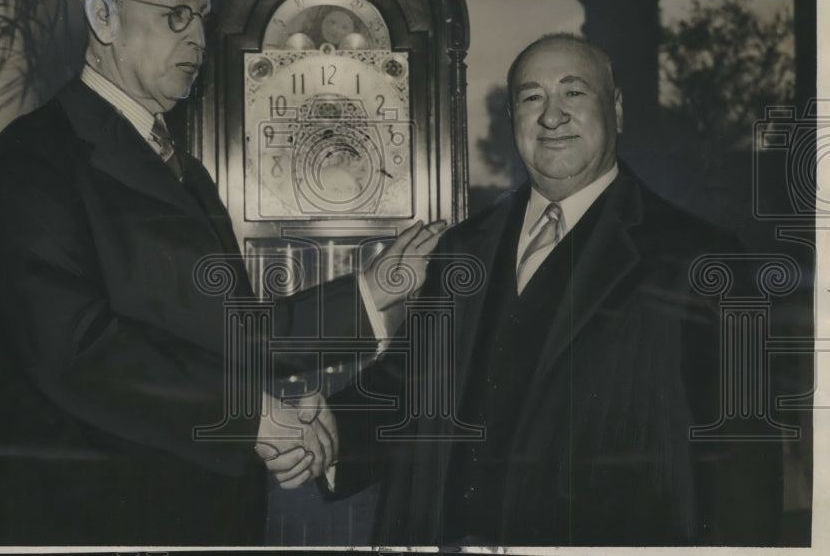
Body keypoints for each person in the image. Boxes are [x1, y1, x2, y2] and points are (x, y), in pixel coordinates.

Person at [0, 0, 442, 546]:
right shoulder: (33, 157)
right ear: (103, 18)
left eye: (202, 20)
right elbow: (75, 348)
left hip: (196, 514)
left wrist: (370, 293)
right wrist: (247, 418)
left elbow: (229, 333)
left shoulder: (178, 164)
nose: (196, 39)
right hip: (95, 522)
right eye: (175, 16)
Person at [324, 33, 784, 546]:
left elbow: (744, 466)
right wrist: (319, 433)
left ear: (617, 109)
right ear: (513, 120)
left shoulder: (703, 259)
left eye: (573, 93)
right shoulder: (462, 249)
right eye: (531, 97)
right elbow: (406, 389)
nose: (551, 116)